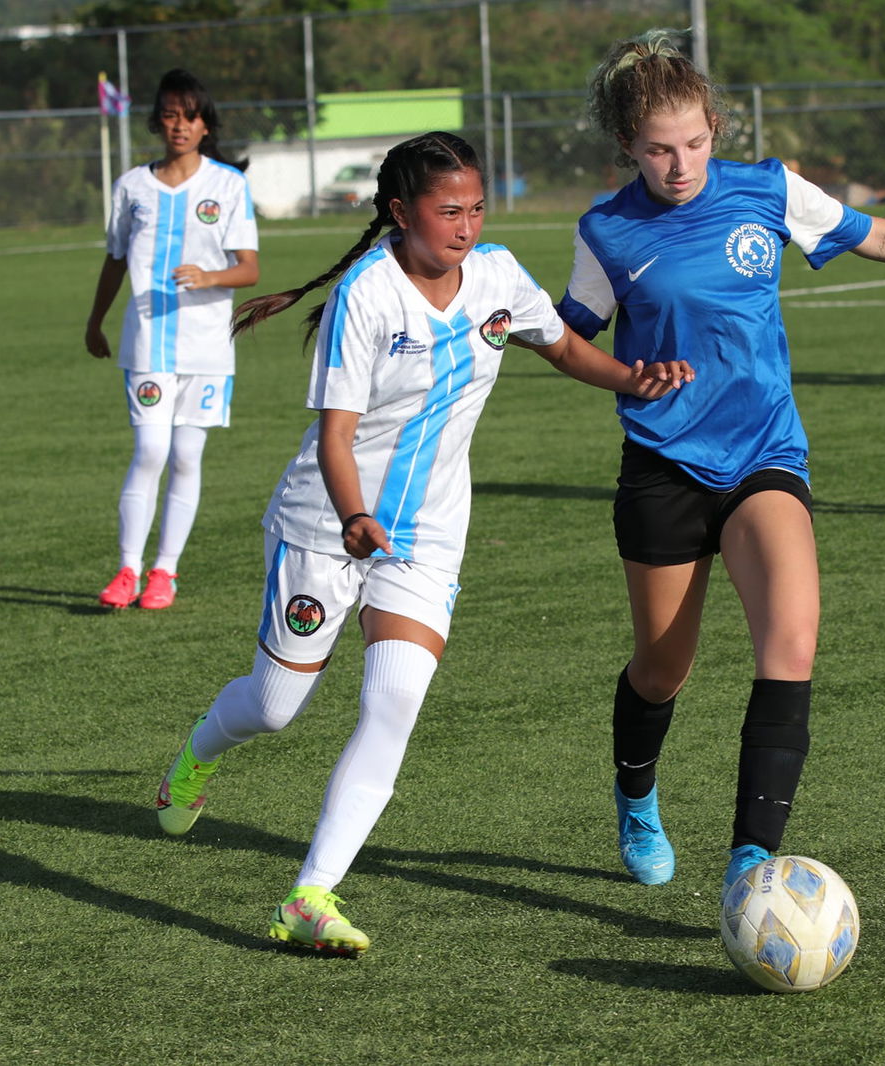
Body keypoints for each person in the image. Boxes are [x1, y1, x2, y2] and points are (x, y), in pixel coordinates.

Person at [152, 131, 693, 956]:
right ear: (402, 213)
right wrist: (354, 518)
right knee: (274, 705)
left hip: (429, 537)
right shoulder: (366, 296)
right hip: (327, 525)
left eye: (477, 208)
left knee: (393, 702)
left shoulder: (502, 278)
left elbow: (563, 346)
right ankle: (195, 755)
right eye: (448, 211)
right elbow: (336, 437)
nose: (466, 226)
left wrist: (632, 377)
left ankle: (310, 893)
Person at [557, 31, 885, 896]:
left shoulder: (767, 190)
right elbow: (567, 338)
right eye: (660, 149)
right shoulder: (606, 230)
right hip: (663, 466)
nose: (680, 165)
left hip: (762, 454)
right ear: (627, 143)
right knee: (664, 666)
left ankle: (753, 861)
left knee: (790, 640)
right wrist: (594, 361)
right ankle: (636, 795)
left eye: (696, 143)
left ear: (716, 126)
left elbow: (875, 236)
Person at [84, 69, 260, 610]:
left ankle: (165, 572)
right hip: (147, 343)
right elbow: (115, 260)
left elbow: (250, 269)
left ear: (205, 124)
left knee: (186, 455)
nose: (178, 125)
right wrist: (95, 322)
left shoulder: (228, 185)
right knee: (151, 449)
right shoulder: (132, 186)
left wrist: (209, 277)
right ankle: (126, 570)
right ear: (157, 121)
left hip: (207, 346)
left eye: (189, 116)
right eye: (169, 115)